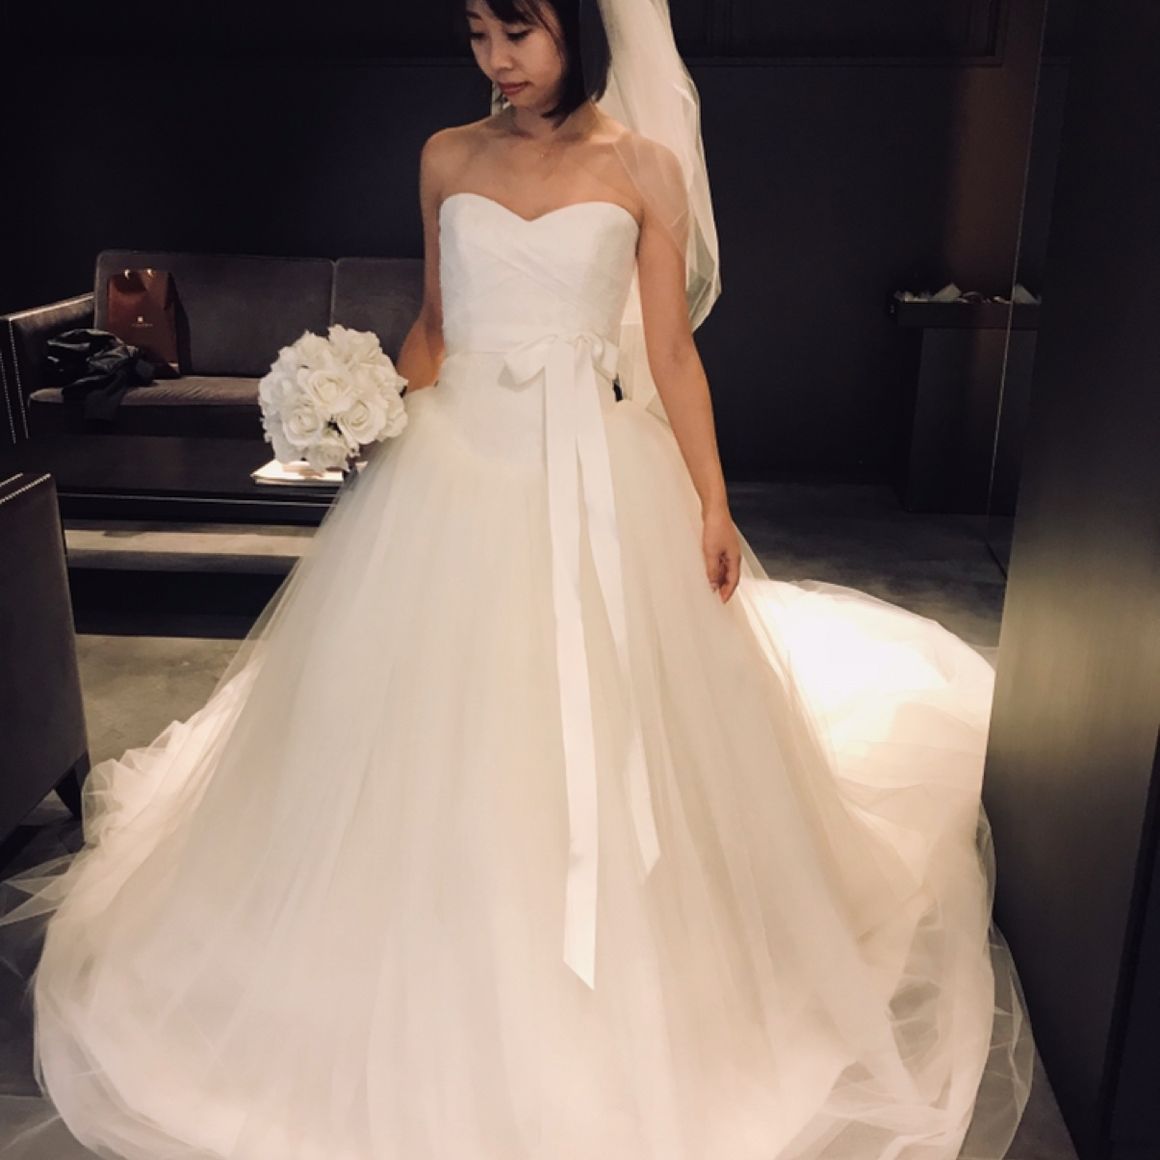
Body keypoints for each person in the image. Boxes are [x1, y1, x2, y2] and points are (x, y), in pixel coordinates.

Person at [0, 0, 1035, 1156]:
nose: (496, 60)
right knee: (430, 723)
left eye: (519, 32)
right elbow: (437, 328)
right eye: (477, 35)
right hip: (452, 468)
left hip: (596, 471)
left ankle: (614, 968)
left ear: (576, 28)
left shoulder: (640, 166)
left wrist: (710, 498)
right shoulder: (446, 155)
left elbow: (671, 349)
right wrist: (361, 414)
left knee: (597, 715)